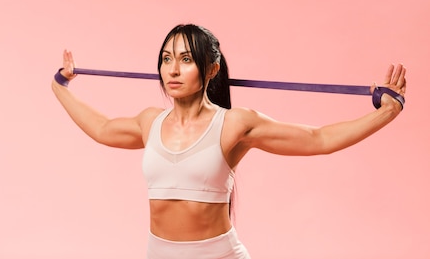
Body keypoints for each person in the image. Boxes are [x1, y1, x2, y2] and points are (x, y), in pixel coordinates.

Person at [51, 24, 406, 259]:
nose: (172, 70)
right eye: (166, 59)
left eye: (186, 60)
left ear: (211, 69)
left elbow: (319, 138)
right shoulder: (149, 122)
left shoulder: (234, 124)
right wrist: (59, 86)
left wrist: (386, 113)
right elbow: (101, 128)